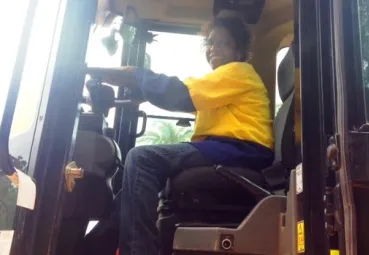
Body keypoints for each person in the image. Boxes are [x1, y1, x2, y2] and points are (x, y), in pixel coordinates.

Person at [87, 14, 274, 255]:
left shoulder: (238, 72)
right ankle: (92, 247)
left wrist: (135, 74)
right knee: (132, 185)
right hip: (229, 148)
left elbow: (181, 93)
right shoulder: (223, 80)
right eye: (210, 42)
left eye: (223, 43)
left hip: (241, 150)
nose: (214, 48)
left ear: (239, 52)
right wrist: (140, 93)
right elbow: (186, 96)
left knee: (141, 159)